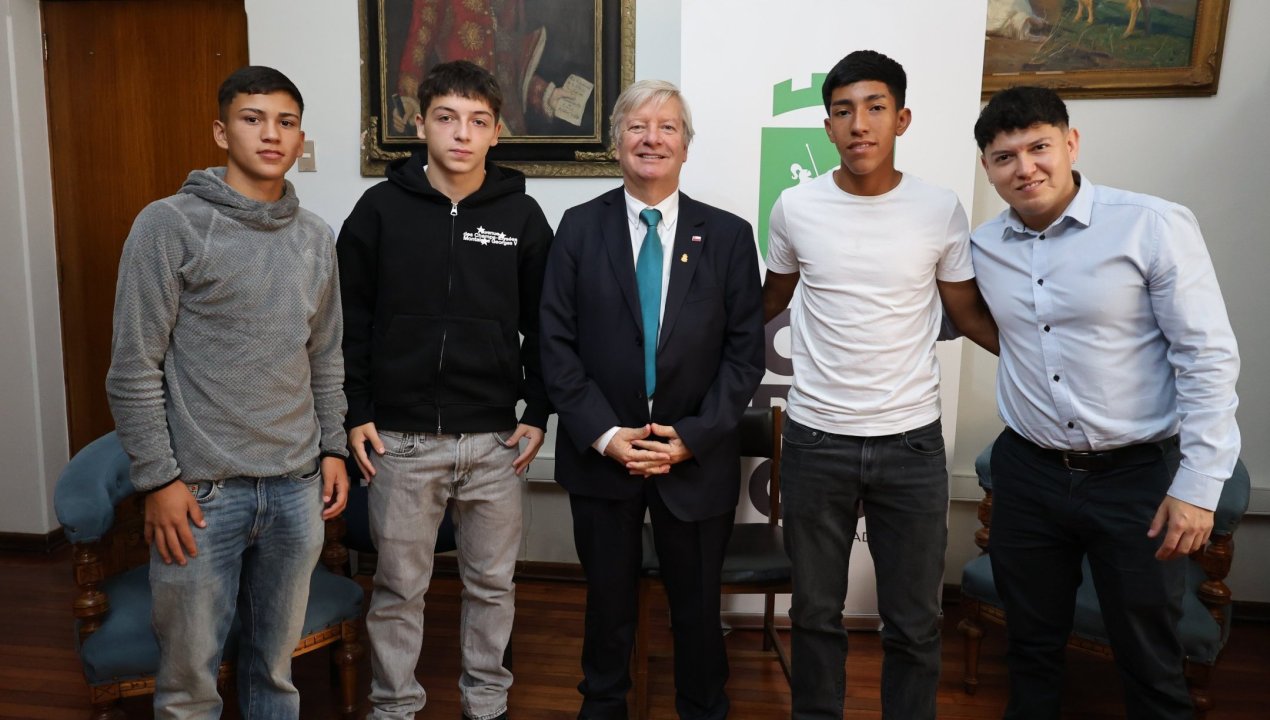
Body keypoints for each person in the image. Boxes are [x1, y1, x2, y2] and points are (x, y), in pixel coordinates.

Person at [970, 85, 1240, 720]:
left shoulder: (1151, 224)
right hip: (1028, 474)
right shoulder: (982, 246)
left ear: (1071, 143)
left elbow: (1206, 357)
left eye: (1039, 147)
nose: (1025, 168)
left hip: (1136, 477)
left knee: (1149, 655)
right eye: (1005, 157)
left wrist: (1199, 486)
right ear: (987, 167)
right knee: (1029, 647)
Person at [760, 50, 998, 720]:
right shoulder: (796, 207)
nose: (859, 124)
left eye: (874, 108)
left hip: (910, 444)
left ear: (902, 118)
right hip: (816, 441)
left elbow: (967, 314)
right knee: (814, 614)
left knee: (915, 622)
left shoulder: (939, 208)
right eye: (843, 111)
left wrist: (1050, 358)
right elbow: (767, 302)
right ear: (828, 126)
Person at [105, 65, 349, 719]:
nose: (271, 134)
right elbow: (132, 369)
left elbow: (325, 357)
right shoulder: (169, 226)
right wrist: (159, 479)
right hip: (201, 496)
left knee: (275, 674)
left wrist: (332, 449)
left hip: (296, 488)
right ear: (221, 132)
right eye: (253, 118)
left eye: (286, 122)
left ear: (299, 138)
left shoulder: (315, 237)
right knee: (189, 686)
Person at [540, 79, 765, 720]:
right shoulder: (578, 228)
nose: (652, 138)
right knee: (607, 608)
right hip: (603, 459)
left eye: (668, 127)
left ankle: (703, 709)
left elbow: (744, 355)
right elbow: (554, 345)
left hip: (694, 459)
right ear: (616, 143)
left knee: (697, 611)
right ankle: (603, 707)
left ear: (686, 147)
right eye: (637, 126)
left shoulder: (727, 235)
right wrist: (607, 436)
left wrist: (693, 436)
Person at [337, 59, 553, 720]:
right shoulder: (378, 210)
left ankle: (486, 705)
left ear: (497, 132)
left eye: (478, 121)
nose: (462, 134)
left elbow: (548, 323)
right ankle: (394, 707)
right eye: (447, 118)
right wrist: (356, 410)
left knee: (492, 585)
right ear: (420, 124)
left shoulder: (521, 215)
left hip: (494, 440)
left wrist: (539, 408)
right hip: (399, 440)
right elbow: (347, 320)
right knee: (399, 589)